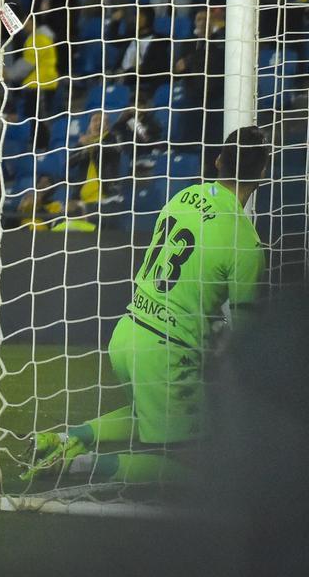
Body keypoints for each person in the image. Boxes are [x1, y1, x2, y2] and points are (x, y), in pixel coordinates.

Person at [24, 127, 270, 485]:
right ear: (263, 173)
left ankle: (64, 439)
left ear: (218, 160)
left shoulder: (184, 196)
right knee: (199, 468)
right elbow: (248, 328)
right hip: (166, 351)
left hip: (128, 332)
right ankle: (79, 467)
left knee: (159, 410)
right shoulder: (246, 243)